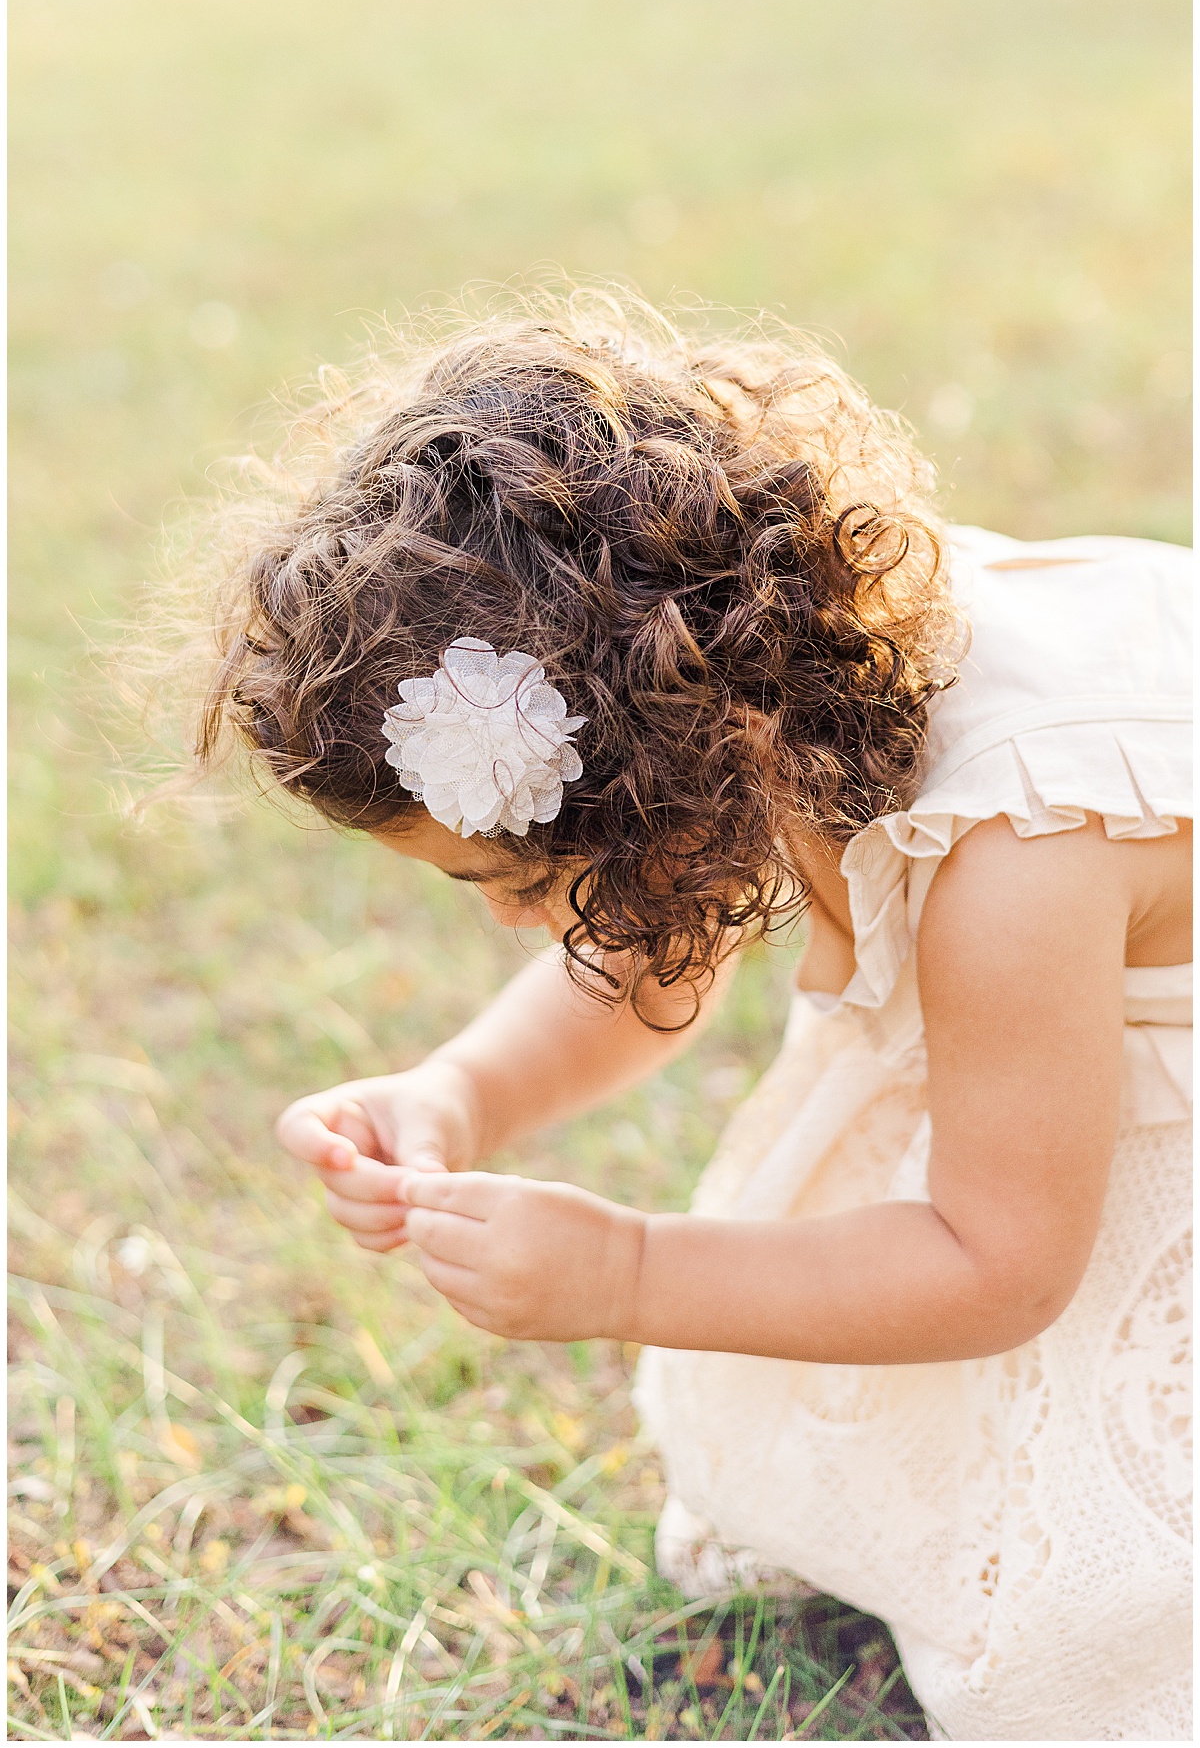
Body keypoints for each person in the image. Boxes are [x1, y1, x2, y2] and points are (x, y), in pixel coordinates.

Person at [184, 291, 1190, 1740]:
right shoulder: (760, 681)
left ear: (650, 788)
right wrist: (459, 1094)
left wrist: (628, 1271)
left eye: (507, 875)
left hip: (1059, 1181)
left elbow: (1004, 1259)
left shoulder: (1012, 859)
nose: (514, 916)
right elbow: (649, 965)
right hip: (1043, 1113)